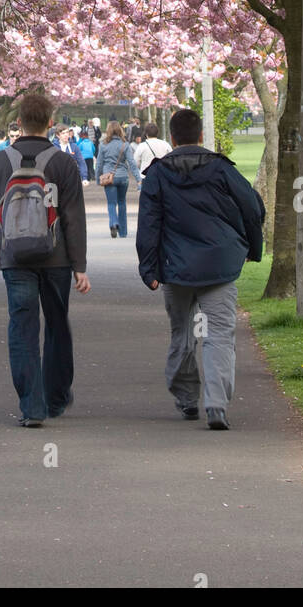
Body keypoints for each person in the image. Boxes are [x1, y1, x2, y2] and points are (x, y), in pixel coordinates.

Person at [136, 108, 264, 430]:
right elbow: (253, 207)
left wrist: (148, 269)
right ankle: (216, 403)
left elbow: (148, 225)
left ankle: (186, 398)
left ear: (172, 137)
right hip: (219, 265)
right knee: (219, 335)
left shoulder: (158, 174)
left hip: (175, 268)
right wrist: (254, 248)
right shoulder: (222, 169)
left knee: (183, 334)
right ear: (202, 136)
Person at [0, 90, 89, 427]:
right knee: (56, 325)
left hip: (15, 257)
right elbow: (73, 217)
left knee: (22, 328)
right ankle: (56, 397)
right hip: (56, 259)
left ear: (20, 123)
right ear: (51, 123)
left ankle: (32, 406)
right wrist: (79, 265)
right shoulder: (64, 163)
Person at [95, 120, 141, 238]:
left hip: (109, 177)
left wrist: (97, 178)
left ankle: (113, 223)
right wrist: (138, 178)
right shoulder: (125, 145)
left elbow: (99, 164)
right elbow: (132, 163)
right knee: (122, 202)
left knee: (111, 203)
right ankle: (123, 231)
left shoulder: (103, 145)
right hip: (123, 177)